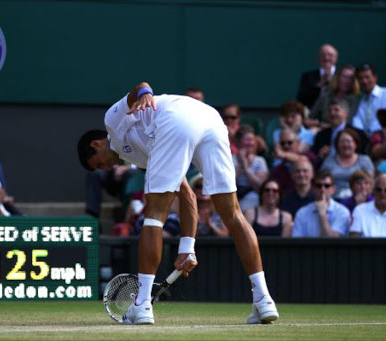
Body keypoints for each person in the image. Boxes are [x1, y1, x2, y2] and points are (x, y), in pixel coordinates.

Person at [77, 82, 278, 325]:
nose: (106, 169)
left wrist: (145, 94)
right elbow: (188, 196)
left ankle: (141, 304)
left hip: (177, 118)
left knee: (153, 216)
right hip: (210, 120)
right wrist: (187, 246)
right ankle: (263, 300)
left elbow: (139, 88)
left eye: (99, 164)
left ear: (95, 145)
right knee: (232, 213)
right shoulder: (139, 156)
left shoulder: (111, 120)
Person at [319, 128, 374, 201]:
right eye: (342, 142)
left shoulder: (364, 160)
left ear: (355, 144)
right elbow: (321, 180)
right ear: (337, 145)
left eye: (348, 141)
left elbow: (370, 183)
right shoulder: (329, 161)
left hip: (359, 199)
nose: (345, 145)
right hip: (333, 199)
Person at [292, 170, 351, 237]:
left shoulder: (342, 212)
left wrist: (322, 214)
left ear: (333, 189)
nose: (322, 189)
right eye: (318, 186)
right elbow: (297, 243)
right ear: (313, 189)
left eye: (327, 186)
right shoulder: (302, 213)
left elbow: (332, 242)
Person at [352, 63, 386, 135]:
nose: (364, 81)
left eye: (367, 77)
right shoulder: (360, 102)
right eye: (360, 78)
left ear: (375, 77)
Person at [233, 125, 269, 212]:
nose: (250, 143)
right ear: (238, 142)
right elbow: (226, 183)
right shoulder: (229, 159)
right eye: (247, 140)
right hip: (233, 195)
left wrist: (245, 167)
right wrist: (240, 165)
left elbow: (260, 186)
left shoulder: (260, 161)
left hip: (252, 196)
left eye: (252, 140)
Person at [271, 129, 317, 194]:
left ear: (298, 144)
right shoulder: (277, 170)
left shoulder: (309, 156)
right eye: (282, 143)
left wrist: (283, 154)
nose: (286, 146)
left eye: (289, 143)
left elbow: (303, 161)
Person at [297, 44, 338, 108]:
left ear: (336, 58)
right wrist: (320, 83)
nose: (326, 58)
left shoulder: (341, 75)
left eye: (330, 55)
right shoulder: (308, 76)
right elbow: (302, 99)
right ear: (319, 58)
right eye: (323, 55)